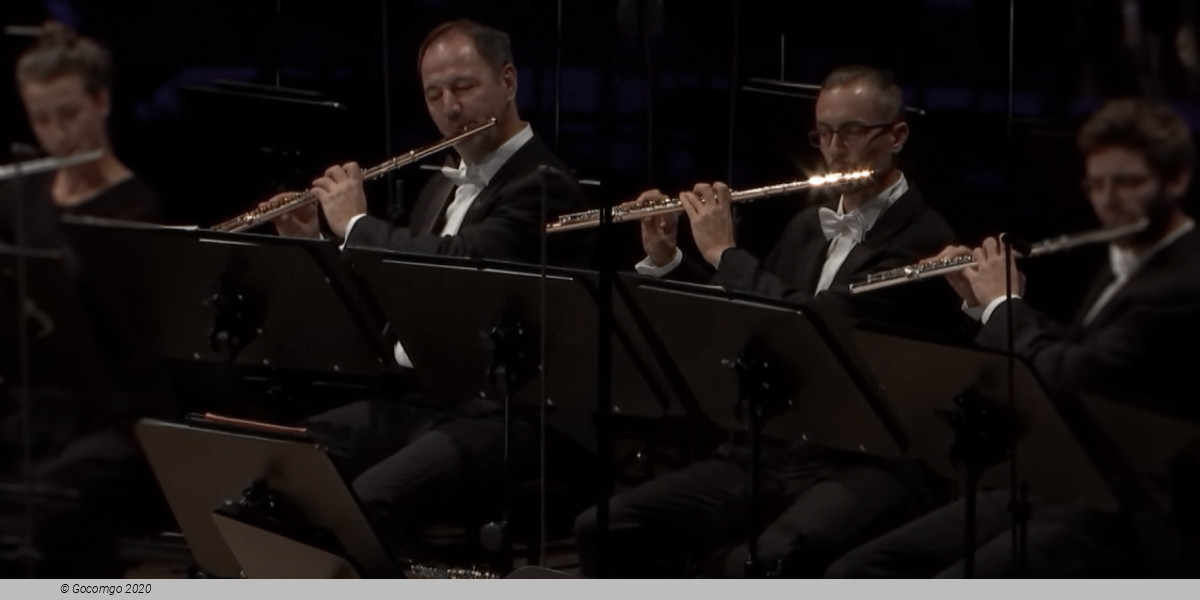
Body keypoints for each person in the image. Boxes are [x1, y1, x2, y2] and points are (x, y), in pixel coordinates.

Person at [572, 65, 961, 578]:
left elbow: (814, 327)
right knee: (603, 524)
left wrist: (724, 252)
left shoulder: (926, 240)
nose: (833, 148)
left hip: (862, 457)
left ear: (896, 137)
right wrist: (670, 258)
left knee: (763, 561)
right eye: (823, 133)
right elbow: (745, 318)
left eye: (849, 132)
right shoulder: (806, 225)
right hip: (774, 446)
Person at [826, 97, 1200, 578]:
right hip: (1061, 483)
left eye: (1128, 183)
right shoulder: (1129, 257)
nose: (1108, 201)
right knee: (857, 571)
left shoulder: (1182, 281)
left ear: (1177, 180)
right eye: (1098, 184)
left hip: (1126, 511)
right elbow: (1080, 350)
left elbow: (1072, 375)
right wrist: (982, 306)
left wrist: (1005, 306)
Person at [273, 19, 594, 563]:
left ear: (509, 82)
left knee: (373, 501)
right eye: (434, 94)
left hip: (516, 412)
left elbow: (458, 267)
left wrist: (357, 226)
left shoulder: (543, 185)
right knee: (285, 466)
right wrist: (317, 242)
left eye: (464, 87)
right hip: (429, 399)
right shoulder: (436, 188)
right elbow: (389, 298)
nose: (449, 107)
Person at [0, 21, 170, 578]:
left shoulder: (135, 214)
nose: (57, 133)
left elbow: (138, 366)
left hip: (108, 422)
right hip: (31, 407)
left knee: (42, 506)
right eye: (41, 118)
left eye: (68, 114)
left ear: (101, 101)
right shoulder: (19, 191)